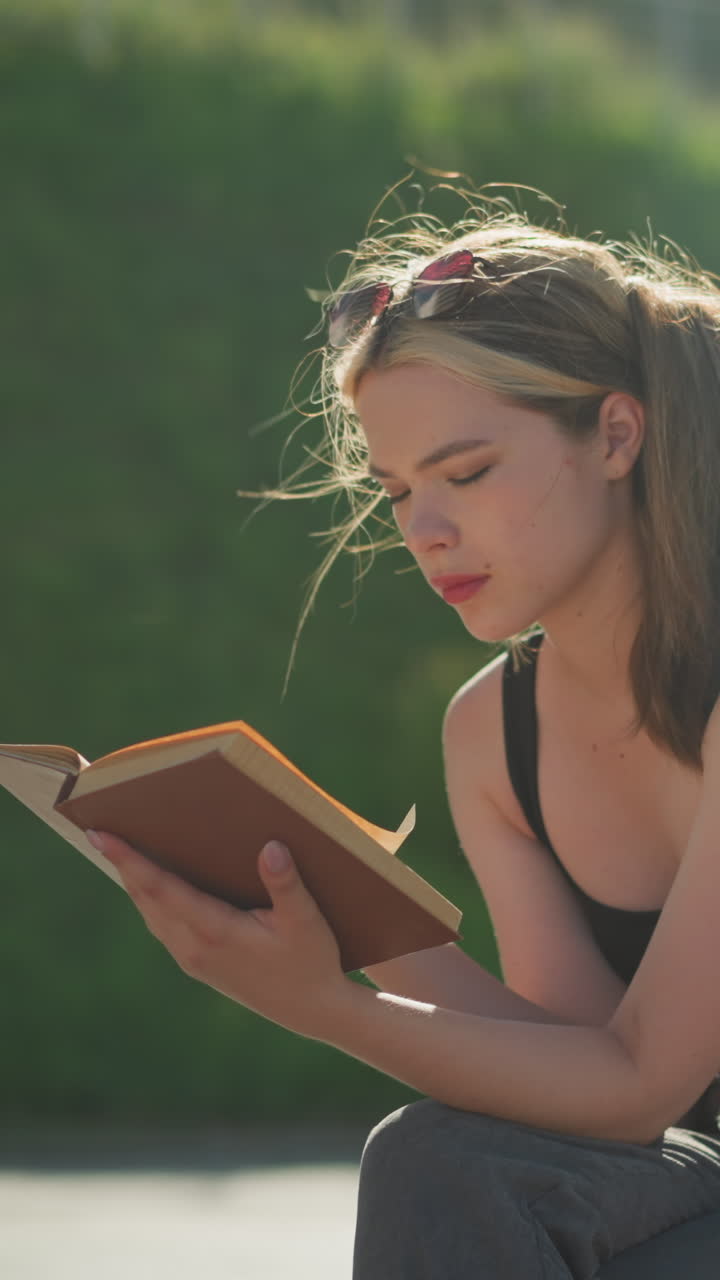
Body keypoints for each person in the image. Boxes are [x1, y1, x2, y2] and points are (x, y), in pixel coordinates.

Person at [87, 189, 720, 1277]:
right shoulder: (492, 734)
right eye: (394, 492)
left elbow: (638, 1087)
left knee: (437, 1159)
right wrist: (343, 911)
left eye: (466, 474)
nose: (424, 530)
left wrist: (330, 1008)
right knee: (452, 1158)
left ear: (617, 434)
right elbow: (577, 1078)